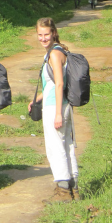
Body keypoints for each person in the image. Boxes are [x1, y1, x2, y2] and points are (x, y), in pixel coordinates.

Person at [33, 17, 79, 203]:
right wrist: (36, 100)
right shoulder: (58, 51)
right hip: (61, 104)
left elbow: (59, 83)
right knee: (66, 145)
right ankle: (74, 188)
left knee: (55, 147)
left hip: (56, 106)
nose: (43, 38)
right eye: (40, 35)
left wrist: (58, 113)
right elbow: (52, 84)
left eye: (46, 34)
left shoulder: (53, 54)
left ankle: (62, 191)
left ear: (53, 33)